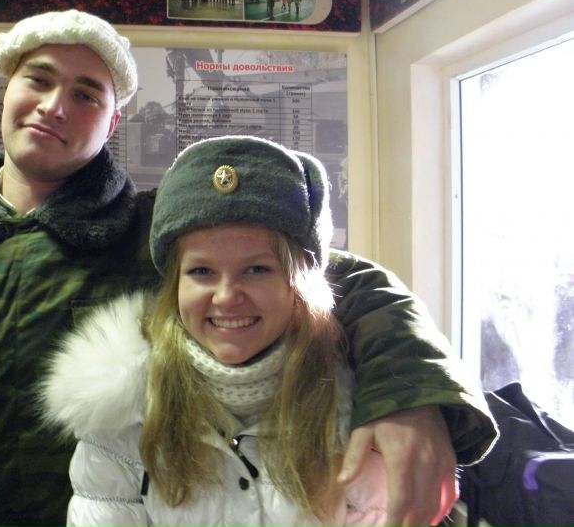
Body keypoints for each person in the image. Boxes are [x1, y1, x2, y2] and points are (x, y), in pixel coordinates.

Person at [0, 9, 496, 527]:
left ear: (112, 121)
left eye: (87, 94)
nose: (55, 106)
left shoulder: (164, 239)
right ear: (5, 85)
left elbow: (340, 285)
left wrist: (411, 398)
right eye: (38, 79)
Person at [42, 135, 392, 525]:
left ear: (299, 284)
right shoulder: (122, 412)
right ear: (175, 284)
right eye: (202, 271)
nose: (226, 297)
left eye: (257, 269)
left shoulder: (361, 406)